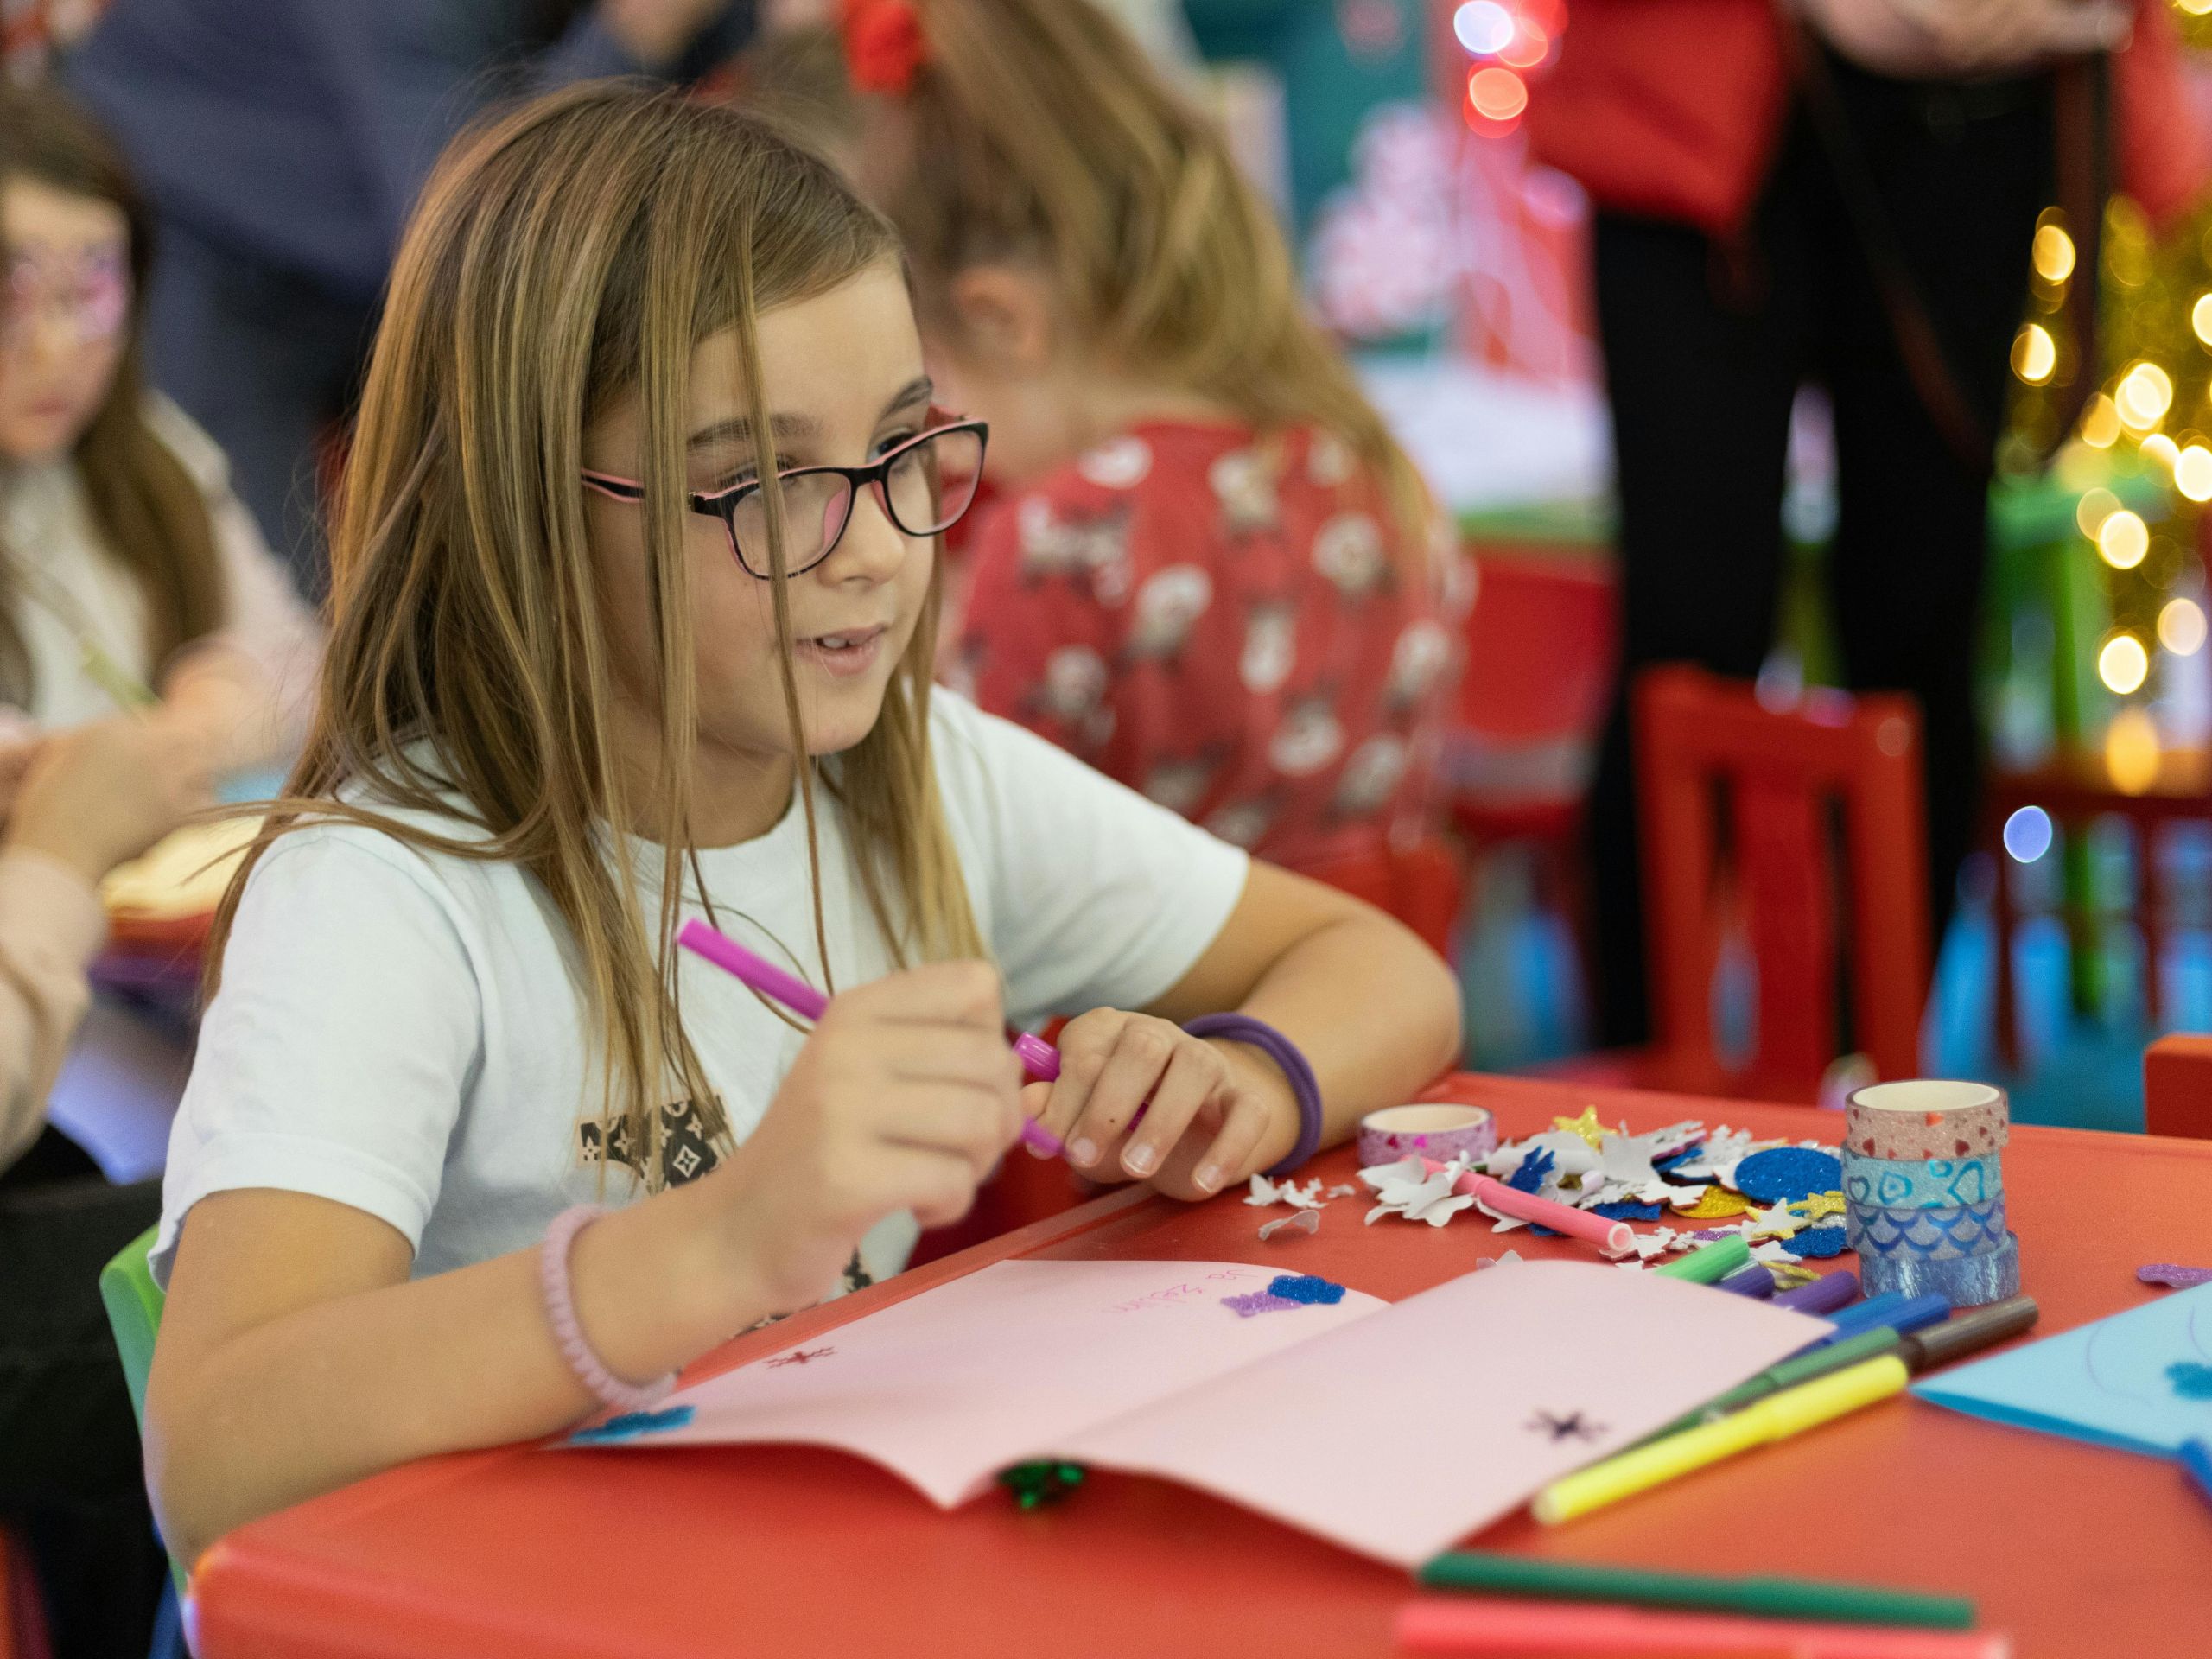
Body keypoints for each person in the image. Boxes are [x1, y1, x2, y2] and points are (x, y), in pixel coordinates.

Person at [143, 84, 1461, 1569]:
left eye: (905, 454)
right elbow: (217, 1450)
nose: (879, 552)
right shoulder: (389, 892)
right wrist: (715, 1245)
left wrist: (1236, 1085)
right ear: (528, 504)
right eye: (763, 486)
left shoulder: (918, 774)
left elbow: (1385, 973)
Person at [1527, 0, 2208, 1047]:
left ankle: (1877, 1065)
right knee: (1689, 627)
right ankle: (1640, 1071)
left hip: (1979, 95)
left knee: (1921, 613)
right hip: (1694, 89)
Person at [843, 0, 1470, 888]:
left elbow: (965, 874)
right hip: (1356, 1015)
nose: (940, 426)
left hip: (1135, 1024)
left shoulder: (1065, 539)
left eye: (931, 370)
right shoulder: (1375, 474)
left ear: (999, 318)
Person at [0, 81, 318, 1658]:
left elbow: (291, 659)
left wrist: (210, 700)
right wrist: (63, 835)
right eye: (13, 294)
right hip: (78, 1053)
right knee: (221, 1285)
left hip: (152, 995)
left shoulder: (141, 464)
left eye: (94, 289)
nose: (57, 343)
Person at [66, 0, 759, 585]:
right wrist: (638, 33)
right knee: (285, 621)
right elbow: (479, 232)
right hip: (200, 228)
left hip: (381, 226)